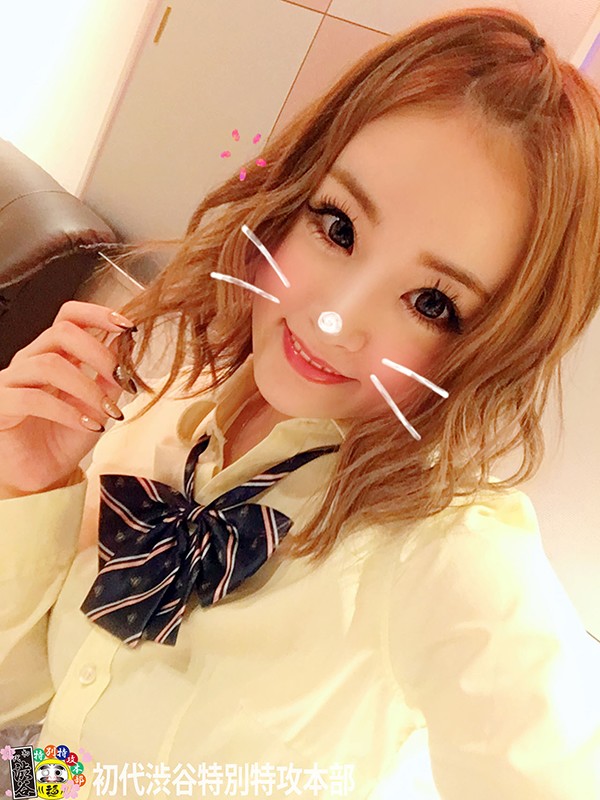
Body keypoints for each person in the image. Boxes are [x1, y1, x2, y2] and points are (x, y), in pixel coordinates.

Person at [1, 6, 600, 799]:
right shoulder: (171, 394)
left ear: (496, 347)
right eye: (339, 227)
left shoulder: (447, 554)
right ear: (291, 196)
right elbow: (38, 711)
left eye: (432, 302)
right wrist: (28, 484)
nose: (334, 319)